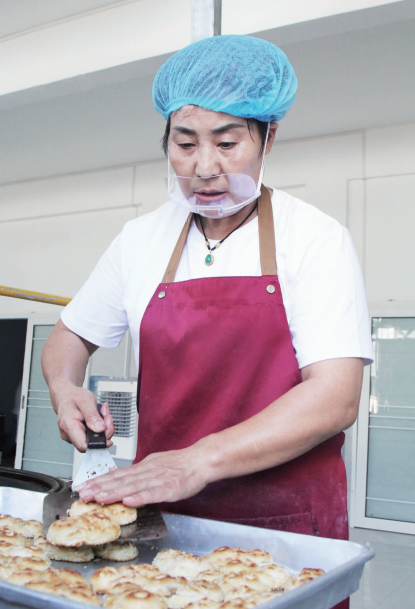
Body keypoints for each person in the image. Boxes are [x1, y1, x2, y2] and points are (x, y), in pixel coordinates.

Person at [42, 35, 373, 609]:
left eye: (227, 142)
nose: (204, 168)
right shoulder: (140, 240)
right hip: (160, 517)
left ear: (268, 138)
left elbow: (335, 397)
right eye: (185, 143)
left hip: (283, 524)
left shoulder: (314, 238)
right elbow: (70, 336)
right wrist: (64, 386)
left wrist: (198, 460)